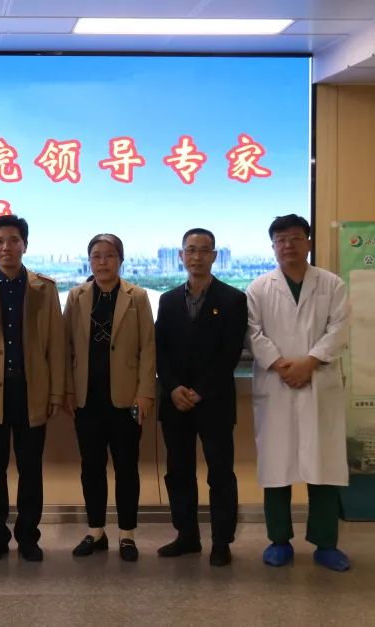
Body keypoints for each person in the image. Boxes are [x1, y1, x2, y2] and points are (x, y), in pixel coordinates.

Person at [247, 214, 351, 572]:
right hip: (276, 386)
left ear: (308, 241)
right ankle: (279, 540)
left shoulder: (331, 284)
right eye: (280, 240)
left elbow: (339, 328)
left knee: (324, 465)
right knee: (276, 466)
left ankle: (326, 543)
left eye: (294, 238)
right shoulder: (259, 288)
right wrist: (281, 365)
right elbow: (253, 333)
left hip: (318, 382)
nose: (287, 245)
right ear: (272, 246)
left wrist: (309, 362)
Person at [0, 214, 65, 563]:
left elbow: (56, 345)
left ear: (25, 245)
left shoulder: (44, 288)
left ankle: (29, 537)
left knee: (30, 469)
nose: (6, 247)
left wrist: (55, 393)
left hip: (31, 390)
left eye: (13, 240)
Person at [154, 228, 247, 567]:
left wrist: (200, 390)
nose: (196, 256)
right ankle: (187, 536)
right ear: (181, 255)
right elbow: (160, 350)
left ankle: (221, 541)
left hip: (215, 401)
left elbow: (230, 354)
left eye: (203, 250)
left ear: (214, 256)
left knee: (220, 474)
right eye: (190, 250)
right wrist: (173, 387)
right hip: (175, 401)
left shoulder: (233, 299)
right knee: (178, 472)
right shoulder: (167, 300)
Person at [63, 233, 155, 562]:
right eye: (96, 256)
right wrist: (68, 390)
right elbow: (66, 347)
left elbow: (148, 348)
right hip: (87, 399)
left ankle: (127, 535)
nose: (102, 262)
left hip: (127, 400)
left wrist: (145, 393)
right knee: (91, 467)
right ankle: (96, 531)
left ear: (120, 260)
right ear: (89, 261)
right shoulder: (76, 296)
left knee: (127, 468)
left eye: (109, 255)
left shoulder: (137, 296)